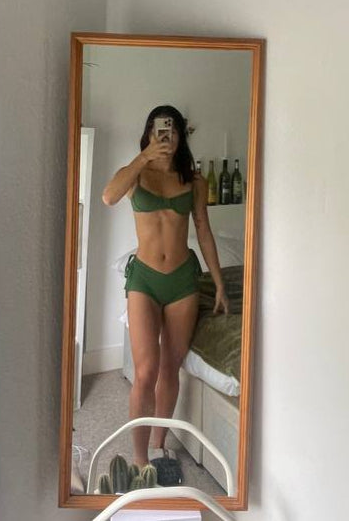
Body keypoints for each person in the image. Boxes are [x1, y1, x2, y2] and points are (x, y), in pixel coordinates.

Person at [102, 105, 229, 468]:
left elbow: (203, 231)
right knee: (145, 371)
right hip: (144, 279)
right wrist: (143, 157)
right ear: (148, 133)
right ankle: (139, 458)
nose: (166, 136)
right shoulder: (135, 174)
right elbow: (108, 197)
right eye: (160, 129)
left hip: (182, 281)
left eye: (172, 130)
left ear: (180, 137)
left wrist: (219, 283)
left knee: (170, 367)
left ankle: (159, 445)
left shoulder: (194, 181)